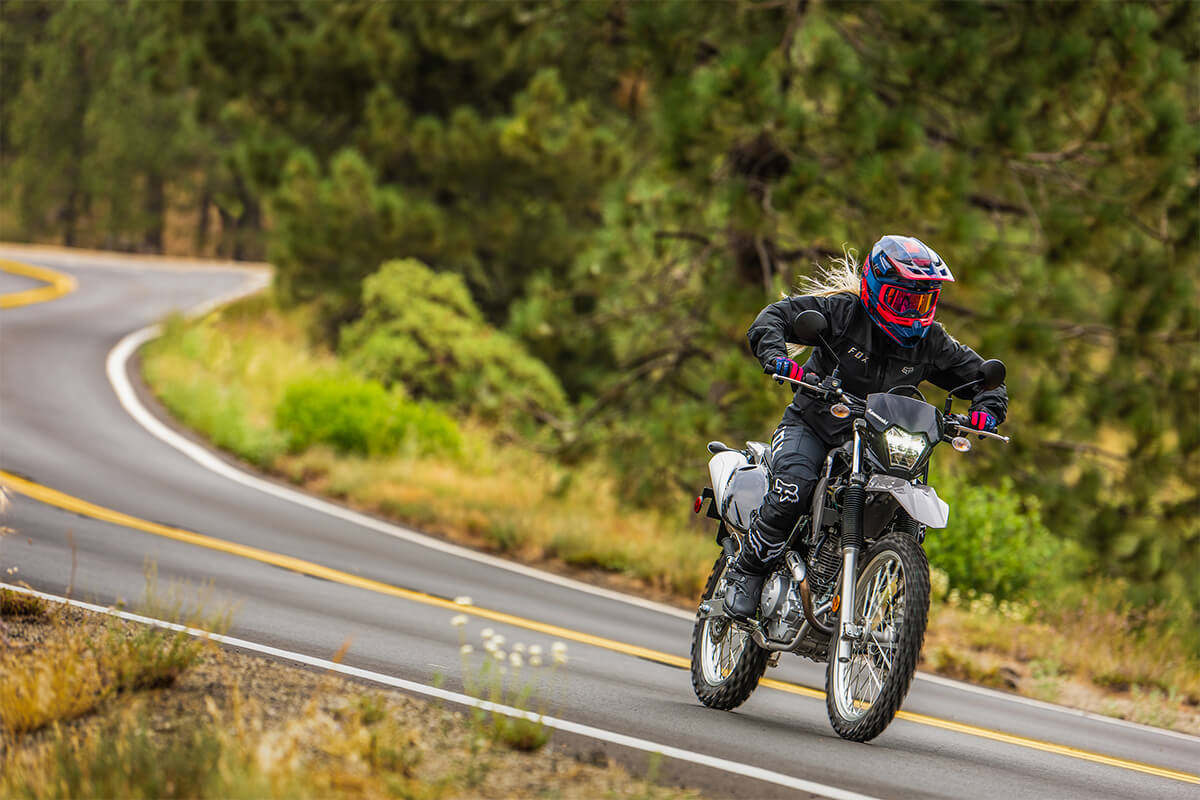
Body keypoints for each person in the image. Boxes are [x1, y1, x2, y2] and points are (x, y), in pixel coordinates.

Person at [724, 234, 1008, 621]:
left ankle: (882, 608)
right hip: (815, 425)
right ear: (874, 288)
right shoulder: (842, 312)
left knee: (910, 511)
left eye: (921, 301)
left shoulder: (932, 342)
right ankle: (748, 571)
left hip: (881, 443)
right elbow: (775, 316)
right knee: (794, 489)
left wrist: (985, 411)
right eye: (902, 299)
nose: (911, 311)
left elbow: (984, 379)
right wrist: (777, 357)